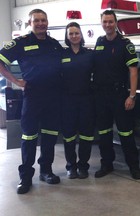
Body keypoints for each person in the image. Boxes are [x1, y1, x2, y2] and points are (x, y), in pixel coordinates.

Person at [0, 9, 63, 194]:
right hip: (33, 96)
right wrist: (16, 81)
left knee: (50, 135)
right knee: (29, 137)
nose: (41, 23)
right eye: (37, 20)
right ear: (30, 23)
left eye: (43, 20)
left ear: (47, 22)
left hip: (53, 96)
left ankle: (46, 171)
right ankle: (26, 177)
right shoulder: (21, 43)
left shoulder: (54, 44)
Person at [93, 10, 140, 180]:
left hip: (119, 95)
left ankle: (134, 166)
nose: (108, 25)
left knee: (125, 133)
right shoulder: (99, 43)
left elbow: (133, 71)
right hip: (101, 95)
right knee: (104, 133)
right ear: (101, 23)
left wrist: (132, 96)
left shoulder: (125, 44)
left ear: (116, 23)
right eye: (105, 22)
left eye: (111, 22)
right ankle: (107, 164)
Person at [61, 22, 95, 179]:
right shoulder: (61, 55)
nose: (74, 36)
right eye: (71, 34)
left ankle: (83, 166)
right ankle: (71, 167)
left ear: (81, 35)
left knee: (86, 136)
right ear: (67, 37)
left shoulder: (89, 55)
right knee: (68, 136)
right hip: (67, 101)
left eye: (76, 33)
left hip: (86, 101)